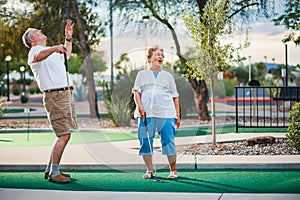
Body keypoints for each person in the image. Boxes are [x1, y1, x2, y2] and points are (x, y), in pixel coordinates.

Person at [22, 21, 77, 184]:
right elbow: (38, 57)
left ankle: (50, 170)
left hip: (65, 94)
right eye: (37, 31)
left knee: (64, 134)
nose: (41, 30)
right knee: (63, 135)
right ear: (32, 39)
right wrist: (53, 48)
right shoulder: (34, 51)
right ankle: (54, 173)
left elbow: (66, 54)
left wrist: (68, 38)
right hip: (56, 96)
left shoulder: (48, 52)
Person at [132, 45, 181, 179]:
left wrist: (178, 115)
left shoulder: (168, 76)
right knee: (145, 142)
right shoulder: (142, 74)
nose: (160, 57)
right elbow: (137, 92)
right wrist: (140, 108)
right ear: (149, 58)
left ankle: (173, 171)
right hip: (145, 115)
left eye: (162, 55)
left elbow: (175, 96)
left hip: (166, 114)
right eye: (157, 54)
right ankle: (149, 170)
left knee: (168, 142)